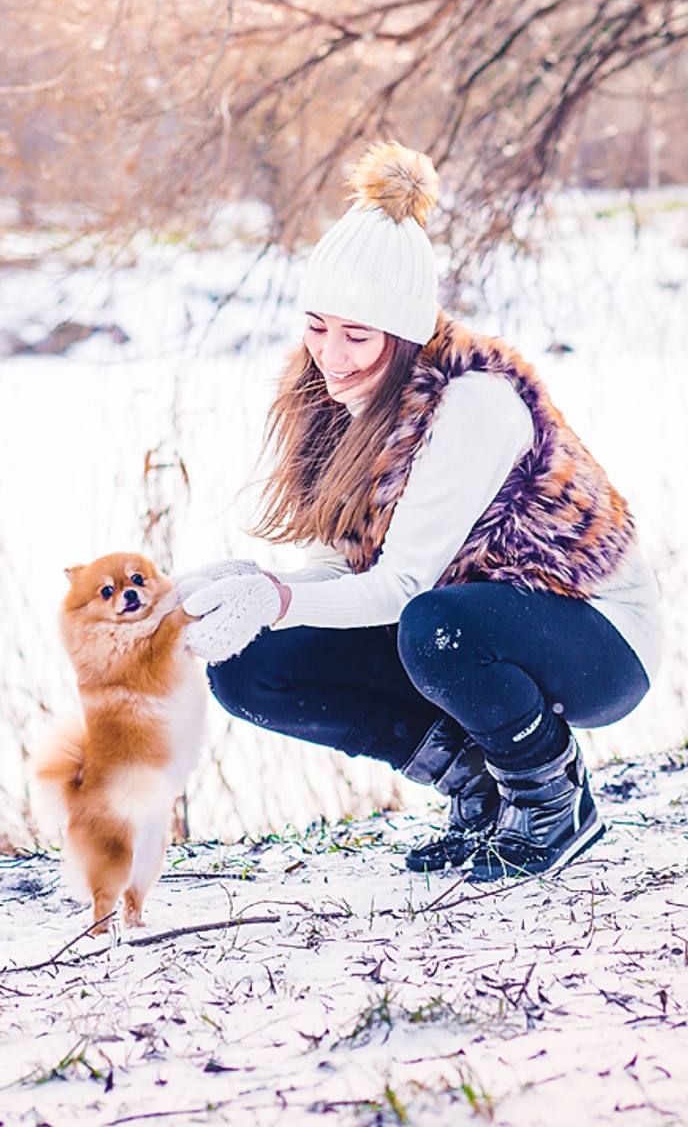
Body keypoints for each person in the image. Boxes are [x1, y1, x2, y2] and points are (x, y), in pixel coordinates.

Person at [177, 142, 661, 882]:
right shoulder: (339, 399)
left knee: (438, 625)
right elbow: (344, 562)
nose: (329, 355)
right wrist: (257, 594)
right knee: (251, 669)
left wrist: (278, 599)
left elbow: (401, 589)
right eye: (316, 326)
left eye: (356, 335)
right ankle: (481, 787)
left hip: (594, 637)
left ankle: (553, 802)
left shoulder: (471, 404)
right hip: (453, 621)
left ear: (402, 335)